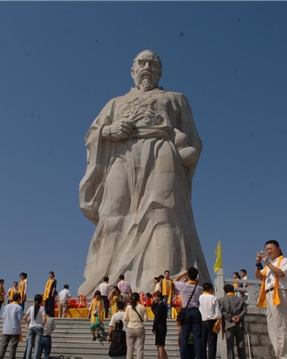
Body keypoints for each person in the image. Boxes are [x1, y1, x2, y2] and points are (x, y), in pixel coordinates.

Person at [78, 50, 210, 296]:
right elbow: (91, 135)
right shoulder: (115, 103)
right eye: (142, 62)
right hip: (121, 155)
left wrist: (184, 153)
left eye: (153, 63)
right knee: (113, 213)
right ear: (132, 70)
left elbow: (194, 140)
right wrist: (109, 131)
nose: (147, 66)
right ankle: (105, 282)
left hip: (162, 152)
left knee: (163, 212)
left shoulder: (176, 98)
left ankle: (158, 285)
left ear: (160, 71)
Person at [255, 240, 287, 359]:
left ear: (278, 248)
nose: (269, 251)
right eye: (267, 249)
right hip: (268, 294)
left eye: (271, 248)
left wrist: (266, 262)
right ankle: (280, 357)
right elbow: (259, 276)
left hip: (279, 293)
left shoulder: (284, 260)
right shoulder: (269, 264)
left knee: (281, 325)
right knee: (273, 327)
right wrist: (258, 262)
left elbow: (280, 273)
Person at [174, 268, 203, 359]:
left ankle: (183, 358)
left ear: (188, 276)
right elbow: (196, 283)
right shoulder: (199, 288)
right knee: (197, 337)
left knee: (184, 337)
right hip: (195, 312)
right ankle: (198, 358)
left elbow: (174, 280)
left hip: (186, 312)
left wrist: (183, 273)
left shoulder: (183, 286)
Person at [219, 284, 247, 359]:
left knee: (229, 344)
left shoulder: (221, 300)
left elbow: (222, 311)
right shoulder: (240, 299)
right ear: (233, 290)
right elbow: (244, 310)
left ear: (224, 291)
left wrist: (231, 317)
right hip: (240, 323)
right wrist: (239, 317)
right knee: (241, 344)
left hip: (228, 324)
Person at [0, 293, 24, 359]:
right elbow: (20, 318)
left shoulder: (6, 306)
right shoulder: (19, 307)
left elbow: (3, 317)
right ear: (18, 299)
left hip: (6, 328)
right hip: (15, 329)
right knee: (13, 346)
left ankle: (0, 357)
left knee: (3, 345)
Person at [199, 282, 220, 359]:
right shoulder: (214, 298)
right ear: (211, 289)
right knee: (212, 343)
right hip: (212, 322)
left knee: (202, 343)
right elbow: (217, 312)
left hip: (202, 321)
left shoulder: (199, 298)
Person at [124, 292, 147, 359]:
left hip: (130, 327)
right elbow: (145, 319)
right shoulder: (142, 307)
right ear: (139, 299)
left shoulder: (128, 307)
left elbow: (125, 318)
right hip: (139, 328)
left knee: (130, 347)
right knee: (140, 348)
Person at [24, 294, 46, 359]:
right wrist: (42, 324)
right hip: (39, 327)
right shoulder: (42, 308)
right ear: (41, 301)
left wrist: (28, 322)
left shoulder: (31, 308)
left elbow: (24, 317)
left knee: (29, 345)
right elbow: (44, 318)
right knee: (37, 345)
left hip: (31, 327)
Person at [151, 291, 169, 359]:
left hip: (160, 326)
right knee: (160, 345)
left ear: (159, 297)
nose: (154, 298)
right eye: (154, 297)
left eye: (156, 297)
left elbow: (157, 317)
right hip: (161, 326)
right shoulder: (160, 305)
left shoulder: (161, 305)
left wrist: (154, 327)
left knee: (160, 345)